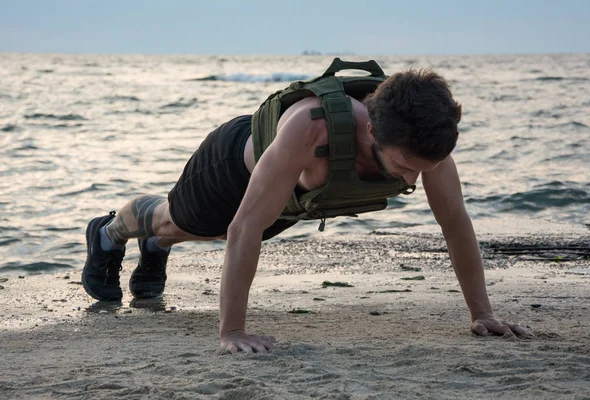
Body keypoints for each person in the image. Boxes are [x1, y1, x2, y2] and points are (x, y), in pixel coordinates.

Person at [82, 59, 533, 354]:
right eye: (404, 167)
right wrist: (232, 331)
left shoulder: (423, 142)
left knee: (208, 234)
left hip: (295, 197)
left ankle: (158, 249)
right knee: (178, 219)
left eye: (421, 170)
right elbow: (245, 230)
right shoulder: (310, 128)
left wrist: (482, 314)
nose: (412, 181)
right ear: (373, 132)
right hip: (230, 166)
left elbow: (455, 224)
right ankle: (107, 234)